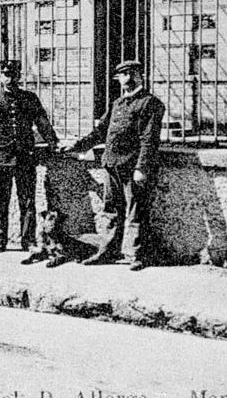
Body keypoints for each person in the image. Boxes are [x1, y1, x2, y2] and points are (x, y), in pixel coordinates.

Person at [70, 60, 166, 271]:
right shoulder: (117, 104)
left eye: (132, 74)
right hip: (111, 165)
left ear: (141, 76)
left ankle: (137, 255)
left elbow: (149, 139)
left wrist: (142, 168)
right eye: (123, 75)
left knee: (136, 211)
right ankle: (108, 251)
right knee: (111, 210)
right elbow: (100, 132)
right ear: (119, 79)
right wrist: (78, 146)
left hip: (132, 168)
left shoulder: (151, 103)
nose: (128, 78)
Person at [0, 59, 59, 253]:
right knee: (0, 200)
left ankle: (28, 240)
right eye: (6, 75)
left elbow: (42, 122)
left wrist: (53, 142)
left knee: (28, 201)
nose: (10, 79)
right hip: (2, 158)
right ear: (1, 77)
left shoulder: (29, 99)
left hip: (25, 158)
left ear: (19, 76)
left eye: (13, 75)